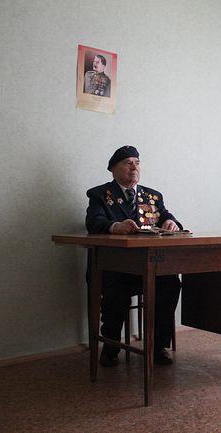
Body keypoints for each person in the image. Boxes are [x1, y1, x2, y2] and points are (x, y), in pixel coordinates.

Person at [85, 145, 181, 367]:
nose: (134, 167)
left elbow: (168, 217)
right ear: (113, 169)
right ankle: (110, 348)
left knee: (170, 283)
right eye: (128, 163)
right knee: (116, 292)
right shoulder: (100, 194)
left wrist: (171, 222)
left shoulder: (152, 196)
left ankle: (158, 346)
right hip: (112, 268)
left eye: (137, 163)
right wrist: (115, 226)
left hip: (146, 267)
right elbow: (93, 222)